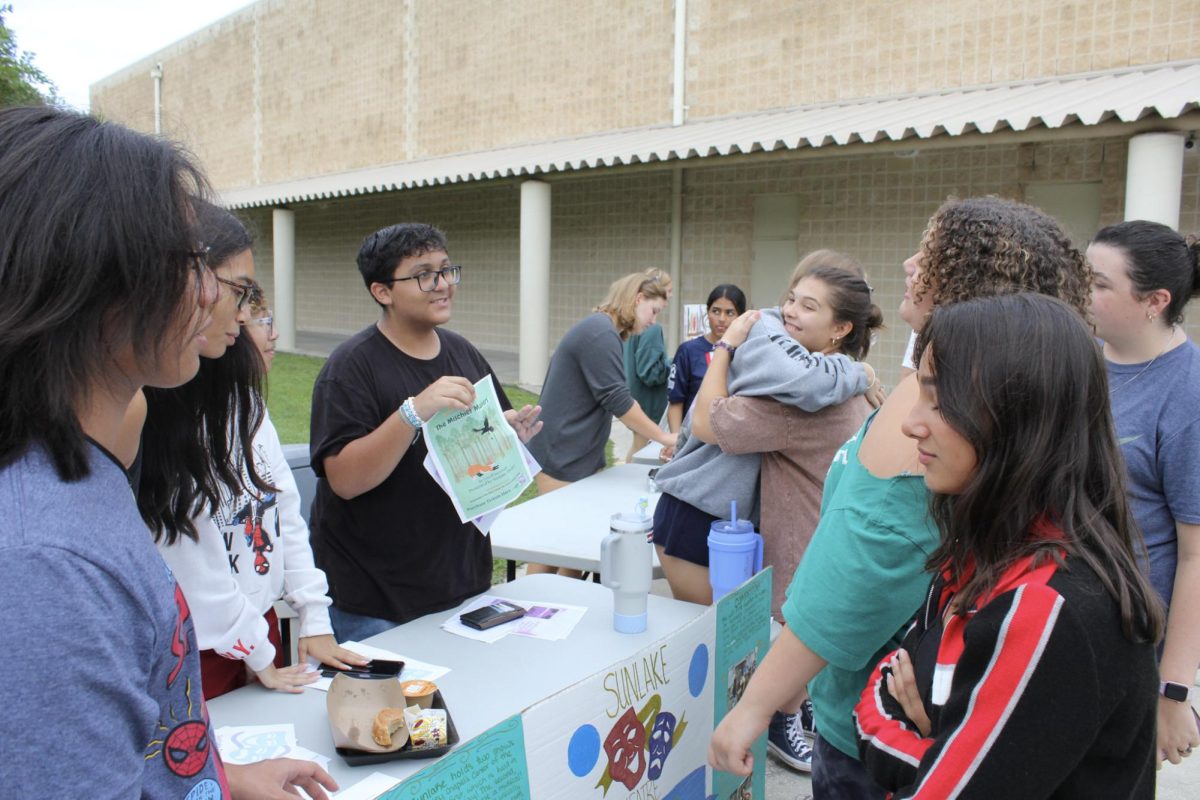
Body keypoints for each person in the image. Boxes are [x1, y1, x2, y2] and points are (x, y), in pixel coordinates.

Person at [0, 106, 335, 798]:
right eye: (193, 264)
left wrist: (222, 778)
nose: (217, 298)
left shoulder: (77, 474)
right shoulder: (42, 567)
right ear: (98, 274)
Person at [708, 197, 1094, 797]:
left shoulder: (927, 414)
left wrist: (756, 705)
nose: (911, 263)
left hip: (872, 729)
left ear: (971, 281)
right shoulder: (986, 411)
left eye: (932, 254)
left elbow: (853, 577)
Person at [854, 293, 1162, 797]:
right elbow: (880, 688)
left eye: (938, 399)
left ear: (1018, 416)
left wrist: (935, 751)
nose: (911, 424)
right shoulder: (984, 552)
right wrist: (937, 751)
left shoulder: (1046, 608)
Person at [656, 253, 882, 773]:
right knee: (716, 646)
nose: (788, 313)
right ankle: (710, 752)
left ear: (842, 328)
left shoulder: (814, 382)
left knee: (741, 645)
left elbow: (720, 415)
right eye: (790, 300)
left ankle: (752, 732)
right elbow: (710, 423)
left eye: (809, 306)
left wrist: (729, 349)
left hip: (740, 525)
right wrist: (730, 347)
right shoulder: (792, 363)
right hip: (697, 515)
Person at [143, 204, 365, 699]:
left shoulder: (241, 401)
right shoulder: (159, 416)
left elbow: (282, 506)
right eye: (240, 294)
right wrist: (261, 652)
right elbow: (188, 554)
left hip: (252, 630)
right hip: (201, 642)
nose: (247, 315)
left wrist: (312, 615)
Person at [309, 223, 542, 642]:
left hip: (463, 587)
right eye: (424, 275)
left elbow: (480, 446)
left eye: (446, 270)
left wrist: (507, 435)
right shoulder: (349, 369)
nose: (442, 285)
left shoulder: (462, 351)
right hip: (376, 603)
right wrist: (413, 412)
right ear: (382, 292)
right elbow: (344, 480)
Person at [1087, 220, 1200, 765]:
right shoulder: (1080, 359)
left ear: (1155, 300)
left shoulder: (1188, 393)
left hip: (1128, 649)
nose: (1082, 291)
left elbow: (1197, 556)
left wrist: (1172, 692)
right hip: (1056, 622)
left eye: (1099, 283)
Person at [666, 284, 747, 432]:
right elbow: (676, 401)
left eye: (730, 313)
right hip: (692, 438)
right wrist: (675, 441)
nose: (722, 319)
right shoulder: (688, 351)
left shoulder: (748, 351)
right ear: (707, 312)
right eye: (716, 311)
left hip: (734, 438)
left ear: (740, 316)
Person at [623, 268, 673, 461]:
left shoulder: (632, 322)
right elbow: (649, 373)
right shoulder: (652, 328)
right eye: (669, 291)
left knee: (637, 446)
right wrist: (673, 364)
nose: (670, 296)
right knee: (640, 449)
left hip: (632, 394)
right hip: (647, 402)